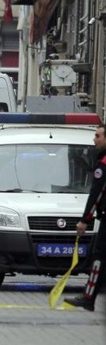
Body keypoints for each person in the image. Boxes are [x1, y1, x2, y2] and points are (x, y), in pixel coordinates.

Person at [65, 124, 106, 311]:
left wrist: (84, 220)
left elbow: (97, 193)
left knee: (98, 257)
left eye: (98, 136)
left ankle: (89, 297)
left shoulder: (104, 163)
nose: (94, 139)